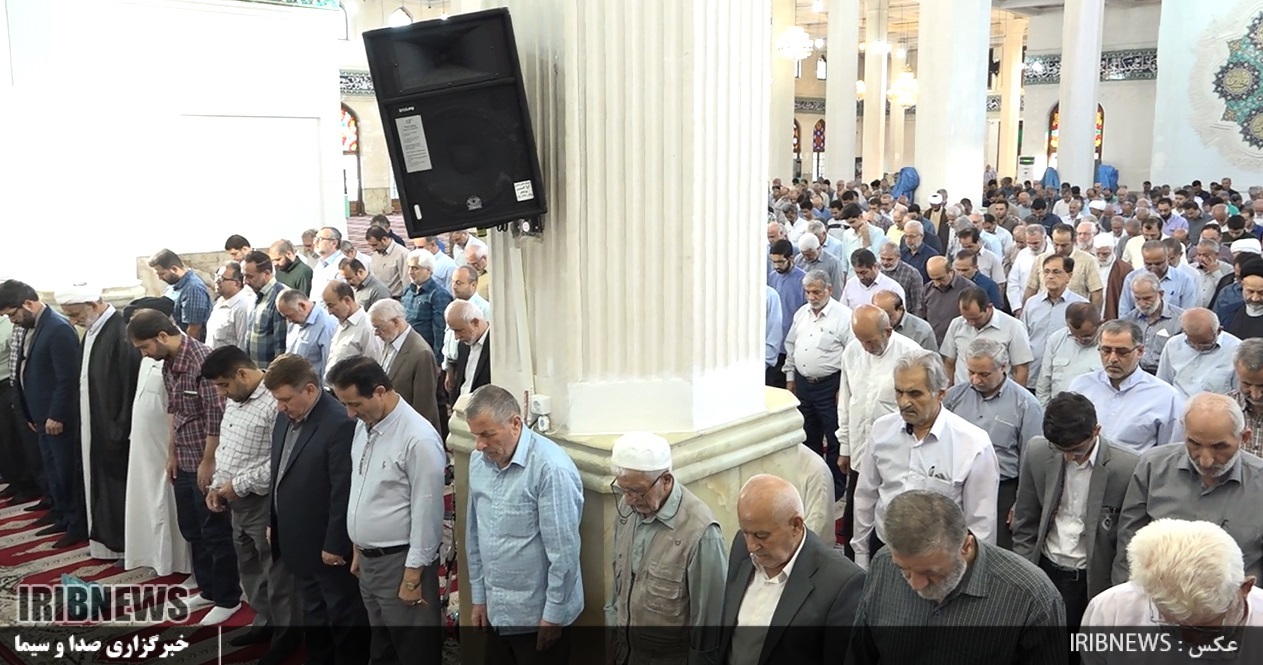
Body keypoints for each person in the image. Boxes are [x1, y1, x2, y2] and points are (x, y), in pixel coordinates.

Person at [849, 491, 1067, 665]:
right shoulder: (883, 564)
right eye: (904, 570)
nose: (915, 584)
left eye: (930, 573)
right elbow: (861, 653)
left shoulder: (1030, 597)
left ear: (965, 546)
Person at [329, 356, 448, 664]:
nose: (350, 413)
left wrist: (412, 577)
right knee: (382, 649)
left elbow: (427, 512)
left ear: (380, 391)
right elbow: (362, 488)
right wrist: (358, 547)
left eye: (355, 404)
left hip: (401, 563)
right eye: (345, 404)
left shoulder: (418, 438)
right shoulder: (365, 425)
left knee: (414, 652)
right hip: (370, 562)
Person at [127, 308, 241, 624]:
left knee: (215, 532)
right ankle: (208, 588)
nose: (144, 354)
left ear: (163, 336)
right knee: (192, 529)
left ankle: (228, 597)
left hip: (206, 461)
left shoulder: (202, 361)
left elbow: (216, 419)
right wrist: (172, 453)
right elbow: (174, 409)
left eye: (144, 347)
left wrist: (208, 461)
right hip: (184, 459)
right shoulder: (168, 362)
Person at [465, 385, 584, 665]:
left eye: (487, 434)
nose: (479, 445)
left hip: (537, 619)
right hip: (497, 613)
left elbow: (564, 553)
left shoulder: (550, 469)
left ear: (515, 424)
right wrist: (479, 597)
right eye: (475, 435)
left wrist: (553, 616)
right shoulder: (479, 462)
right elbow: (474, 534)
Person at [264, 354, 369, 665]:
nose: (280, 407)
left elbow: (342, 490)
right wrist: (274, 521)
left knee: (342, 615)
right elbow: (279, 473)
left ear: (310, 390)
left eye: (285, 399)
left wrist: (334, 544)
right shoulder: (285, 416)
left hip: (327, 546)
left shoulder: (339, 423)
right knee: (314, 612)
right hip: (297, 540)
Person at [851, 350, 1000, 568]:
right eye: (899, 392)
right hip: (884, 550)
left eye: (915, 394)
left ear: (941, 393)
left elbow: (980, 524)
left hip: (939, 564)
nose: (904, 402)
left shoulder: (973, 444)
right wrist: (861, 556)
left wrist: (971, 573)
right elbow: (866, 496)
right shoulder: (881, 430)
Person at [200, 346, 301, 659]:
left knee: (276, 573)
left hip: (263, 502)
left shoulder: (275, 402)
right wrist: (216, 486)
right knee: (249, 567)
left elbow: (281, 461)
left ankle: (287, 637)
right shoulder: (236, 399)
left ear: (242, 374)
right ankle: (265, 622)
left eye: (224, 385)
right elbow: (229, 448)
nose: (222, 393)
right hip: (236, 501)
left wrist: (237, 485)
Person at [1011, 392, 1140, 632]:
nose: (1069, 457)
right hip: (1044, 569)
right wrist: (1024, 573)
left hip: (1092, 580)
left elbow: (1128, 542)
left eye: (1077, 450)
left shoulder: (1128, 467)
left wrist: (1117, 595)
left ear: (1096, 431)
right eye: (1060, 449)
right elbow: (1025, 520)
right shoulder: (1039, 452)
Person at [605, 432, 726, 665]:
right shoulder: (627, 508)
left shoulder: (700, 532)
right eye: (623, 490)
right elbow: (617, 590)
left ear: (666, 480)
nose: (628, 499)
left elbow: (709, 626)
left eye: (637, 491)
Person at [717, 474, 864, 665]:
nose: (751, 546)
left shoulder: (842, 584)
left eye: (761, 535)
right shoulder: (741, 547)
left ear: (795, 525)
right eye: (746, 533)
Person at [1081, 519, 1263, 664]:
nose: (1188, 642)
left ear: (1244, 589)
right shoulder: (1111, 611)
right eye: (1171, 628)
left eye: (1204, 630)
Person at [0, 279, 87, 549]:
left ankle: (76, 524)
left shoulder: (58, 328)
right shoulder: (33, 326)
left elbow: (67, 379)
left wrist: (57, 415)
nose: (12, 321)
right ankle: (61, 514)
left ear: (28, 303)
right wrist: (28, 413)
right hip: (39, 415)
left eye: (12, 314)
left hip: (56, 418)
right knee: (52, 470)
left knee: (65, 471)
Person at [57, 283, 140, 559]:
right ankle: (104, 543)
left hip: (114, 431)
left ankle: (122, 547)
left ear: (93, 305)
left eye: (75, 314)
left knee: (116, 490)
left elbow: (128, 387)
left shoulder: (120, 332)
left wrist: (119, 430)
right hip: (94, 425)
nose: (73, 321)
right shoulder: (94, 330)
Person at [121, 298, 192, 576]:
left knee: (173, 508)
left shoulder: (182, 357)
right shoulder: (153, 356)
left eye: (144, 346)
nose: (143, 353)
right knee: (149, 502)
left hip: (169, 448)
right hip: (146, 448)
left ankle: (182, 565)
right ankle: (158, 559)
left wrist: (173, 450)